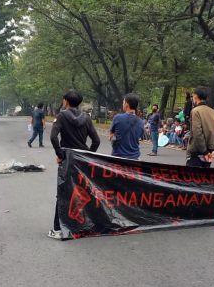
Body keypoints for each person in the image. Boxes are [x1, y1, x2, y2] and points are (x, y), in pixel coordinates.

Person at [49, 89, 101, 240]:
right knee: (83, 192)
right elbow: (96, 140)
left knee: (63, 192)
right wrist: (88, 155)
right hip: (82, 159)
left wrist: (60, 154)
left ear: (65, 101)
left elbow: (53, 137)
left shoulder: (61, 116)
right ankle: (84, 225)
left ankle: (58, 228)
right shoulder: (86, 118)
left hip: (68, 158)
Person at [186, 87, 214, 168]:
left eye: (193, 96)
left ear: (196, 96)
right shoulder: (213, 112)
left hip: (196, 151)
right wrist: (213, 149)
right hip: (209, 152)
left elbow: (197, 133)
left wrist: (204, 151)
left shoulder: (195, 111)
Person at [110, 93, 144, 160]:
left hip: (118, 157)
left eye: (123, 102)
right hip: (134, 158)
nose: (122, 104)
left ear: (126, 104)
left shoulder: (118, 118)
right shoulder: (141, 122)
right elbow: (139, 137)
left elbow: (111, 136)